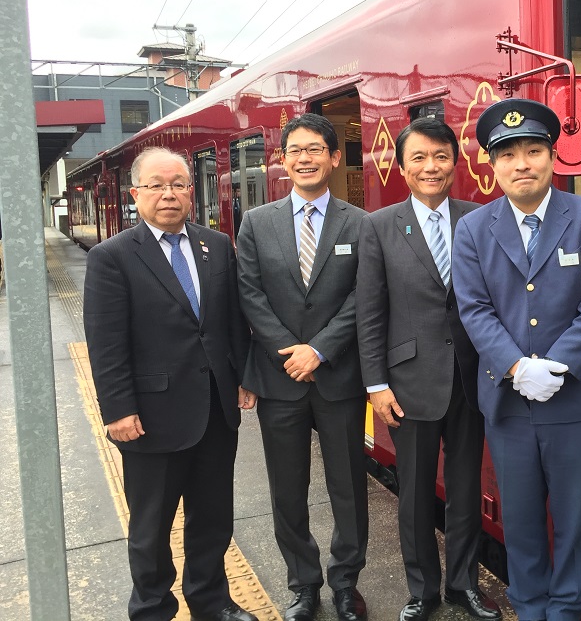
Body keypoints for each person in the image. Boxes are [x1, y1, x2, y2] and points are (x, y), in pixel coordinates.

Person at [452, 99, 581, 621]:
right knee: (521, 520)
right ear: (491, 165)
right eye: (507, 155)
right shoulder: (474, 229)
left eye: (533, 151)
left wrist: (557, 365)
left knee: (574, 519)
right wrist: (517, 367)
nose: (521, 164)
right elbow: (474, 308)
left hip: (576, 401)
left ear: (553, 157)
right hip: (508, 404)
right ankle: (529, 609)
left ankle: (567, 611)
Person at [83, 147, 256, 621]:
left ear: (191, 192)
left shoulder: (215, 245)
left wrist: (242, 376)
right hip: (150, 418)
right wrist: (117, 410)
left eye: (179, 184)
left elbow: (230, 322)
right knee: (151, 527)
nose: (169, 194)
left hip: (215, 411)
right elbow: (106, 343)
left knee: (213, 518)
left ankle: (211, 600)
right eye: (157, 185)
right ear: (135, 193)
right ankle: (153, 607)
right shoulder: (112, 257)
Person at [356, 118, 500, 621]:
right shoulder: (378, 225)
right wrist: (375, 384)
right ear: (401, 166)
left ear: (455, 163)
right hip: (408, 382)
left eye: (440, 156)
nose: (430, 167)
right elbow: (370, 312)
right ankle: (423, 591)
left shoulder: (479, 218)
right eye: (418, 158)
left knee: (465, 491)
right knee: (414, 495)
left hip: (471, 378)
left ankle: (464, 584)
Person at [237, 113, 369, 621]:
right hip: (280, 379)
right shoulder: (256, 222)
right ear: (282, 159)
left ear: (335, 158)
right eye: (295, 149)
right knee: (286, 488)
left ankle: (345, 584)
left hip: (338, 377)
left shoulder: (360, 223)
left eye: (316, 149)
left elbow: (364, 295)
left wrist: (321, 349)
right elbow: (250, 293)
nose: (305, 158)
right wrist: (292, 352)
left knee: (349, 487)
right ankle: (303, 584)